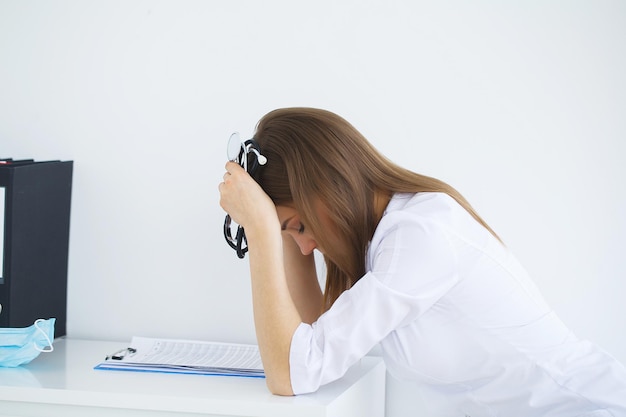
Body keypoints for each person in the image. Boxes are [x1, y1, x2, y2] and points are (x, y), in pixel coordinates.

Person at [218, 107, 626, 416]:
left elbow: (290, 374)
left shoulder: (419, 236)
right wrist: (279, 226)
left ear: (326, 189)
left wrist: (262, 230)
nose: (304, 248)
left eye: (301, 226)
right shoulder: (383, 242)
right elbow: (305, 345)